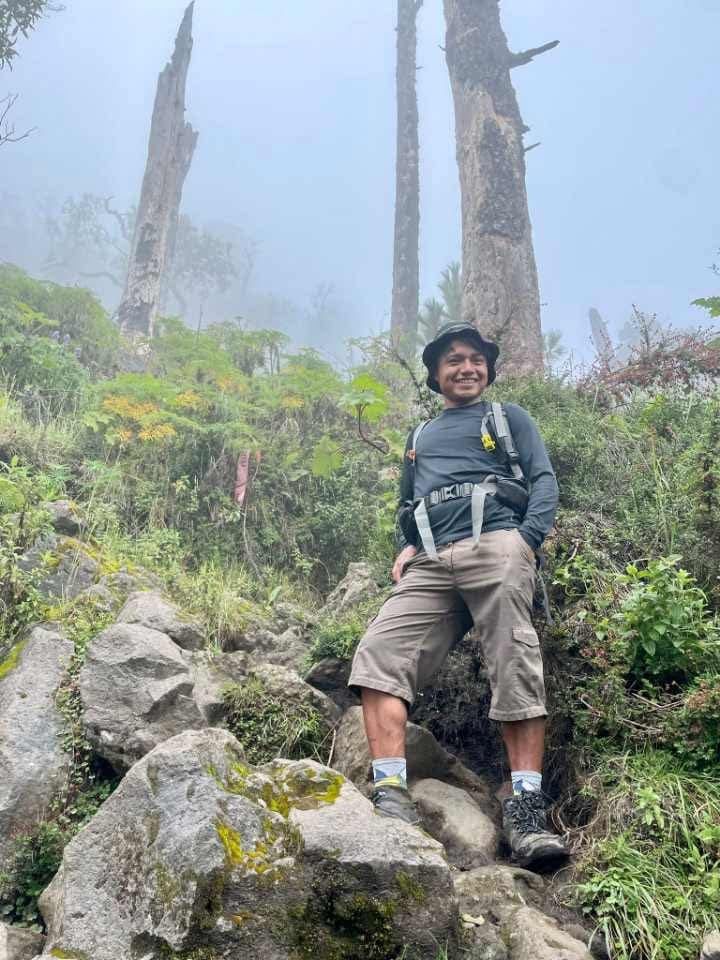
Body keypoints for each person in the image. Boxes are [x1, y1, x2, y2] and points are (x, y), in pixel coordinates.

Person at [347, 320, 569, 870]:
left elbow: (542, 480)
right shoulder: (419, 437)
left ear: (487, 369)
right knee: (379, 654)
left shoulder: (508, 418)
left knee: (512, 656)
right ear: (435, 374)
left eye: (475, 359)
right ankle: (392, 795)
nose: (467, 368)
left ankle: (526, 810)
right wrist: (405, 545)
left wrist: (526, 539)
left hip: (496, 543)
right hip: (429, 559)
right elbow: (407, 504)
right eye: (454, 360)